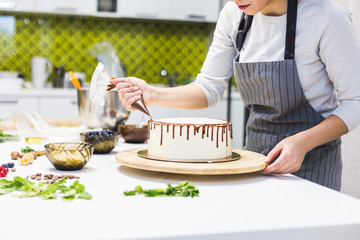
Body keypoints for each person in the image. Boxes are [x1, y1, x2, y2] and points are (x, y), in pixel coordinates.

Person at [110, 0, 360, 191]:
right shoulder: (234, 14)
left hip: (312, 168)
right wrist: (153, 94)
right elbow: (209, 88)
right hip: (252, 164)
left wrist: (302, 143)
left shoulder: (327, 17)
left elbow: (355, 102)